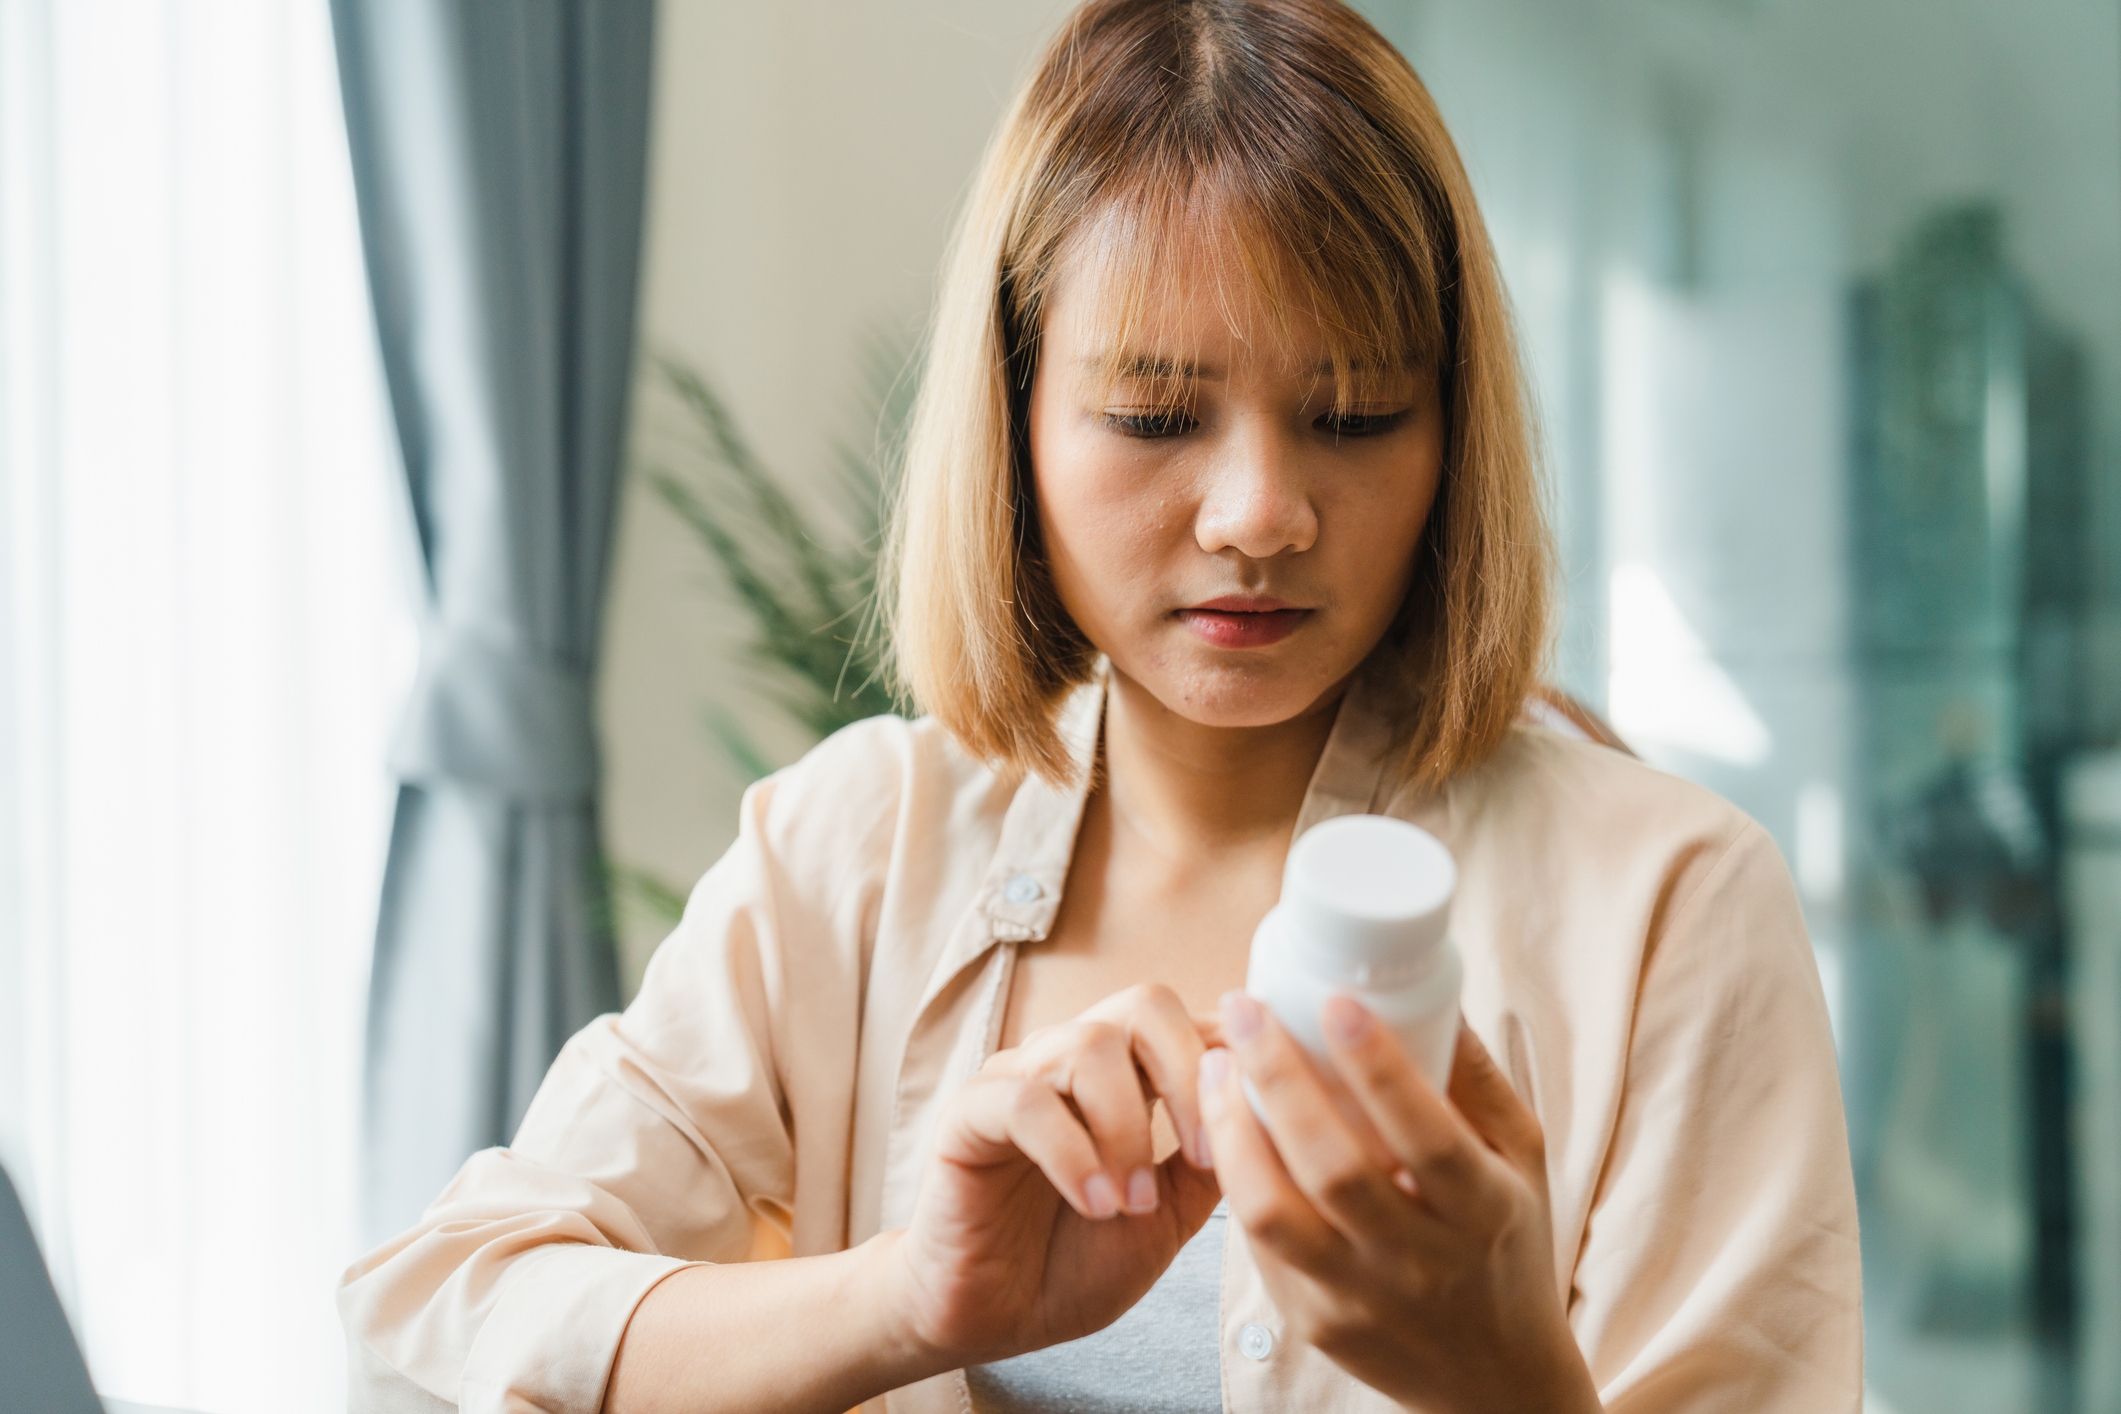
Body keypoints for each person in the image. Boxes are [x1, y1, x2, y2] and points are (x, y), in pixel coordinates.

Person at [338, 1, 1862, 1410]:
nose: (1260, 512)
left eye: (1353, 415)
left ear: (1452, 432)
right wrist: (911, 1295)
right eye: (1153, 415)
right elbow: (453, 1292)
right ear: (1015, 416)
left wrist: (1507, 1374)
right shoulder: (851, 851)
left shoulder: (1669, 905)